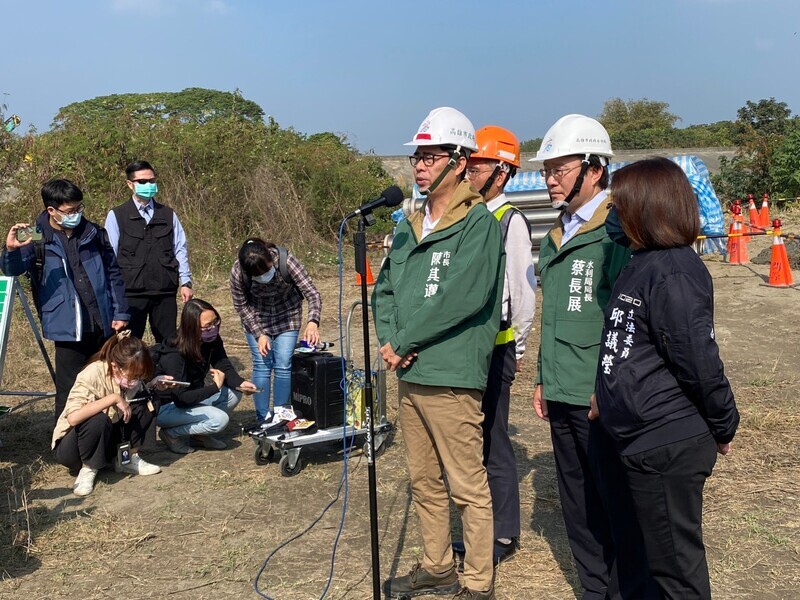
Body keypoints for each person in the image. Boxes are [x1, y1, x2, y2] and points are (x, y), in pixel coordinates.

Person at [591, 157, 739, 599]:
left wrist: (724, 422)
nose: (612, 216)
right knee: (649, 558)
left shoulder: (674, 271)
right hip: (637, 436)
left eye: (619, 207)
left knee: (676, 570)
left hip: (666, 439)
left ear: (647, 209)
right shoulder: (643, 263)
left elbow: (698, 360)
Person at [373, 107, 504, 600]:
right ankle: (437, 567)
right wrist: (391, 340)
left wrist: (404, 342)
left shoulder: (478, 224)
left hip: (450, 373)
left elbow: (461, 297)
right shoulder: (410, 224)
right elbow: (385, 288)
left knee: (466, 486)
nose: (420, 166)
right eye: (417, 157)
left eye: (430, 157)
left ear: (459, 161)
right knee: (423, 481)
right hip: (410, 373)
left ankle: (478, 583)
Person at [530, 115, 655, 599]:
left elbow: (629, 321)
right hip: (562, 387)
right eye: (547, 171)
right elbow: (553, 316)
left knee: (614, 500)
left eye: (559, 170)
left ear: (594, 169)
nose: (550, 180)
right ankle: (593, 587)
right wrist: (542, 378)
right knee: (576, 499)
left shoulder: (616, 232)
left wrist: (611, 387)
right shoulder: (558, 231)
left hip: (599, 394)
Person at [450, 125, 536, 565]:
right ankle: (476, 528)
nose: (469, 174)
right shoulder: (468, 217)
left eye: (478, 168)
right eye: (468, 166)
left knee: (493, 440)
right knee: (468, 441)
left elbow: (523, 293)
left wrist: (517, 349)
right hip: (466, 349)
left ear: (501, 174)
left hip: (496, 347)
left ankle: (503, 533)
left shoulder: (510, 222)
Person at [2, 179, 130, 423]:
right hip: (66, 325)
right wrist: (11, 251)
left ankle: (106, 435)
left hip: (101, 320)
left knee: (107, 381)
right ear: (52, 210)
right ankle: (65, 438)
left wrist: (120, 312)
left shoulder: (94, 232)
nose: (76, 214)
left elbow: (113, 274)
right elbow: (12, 270)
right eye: (70, 211)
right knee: (69, 388)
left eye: (79, 208)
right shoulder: (35, 235)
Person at [51, 332, 161, 497]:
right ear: (115, 366)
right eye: (133, 376)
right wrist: (113, 398)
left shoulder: (131, 378)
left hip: (107, 438)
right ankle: (88, 468)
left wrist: (153, 384)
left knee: (149, 401)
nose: (136, 380)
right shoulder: (93, 373)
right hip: (73, 447)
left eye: (139, 376)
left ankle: (127, 458)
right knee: (98, 419)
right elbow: (73, 418)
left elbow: (138, 401)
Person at [230, 238, 322, 422]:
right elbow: (241, 306)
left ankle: (281, 415)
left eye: (266, 270)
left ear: (270, 259)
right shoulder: (238, 272)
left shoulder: (286, 261)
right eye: (257, 275)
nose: (263, 277)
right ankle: (263, 418)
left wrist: (313, 322)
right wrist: (259, 333)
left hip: (287, 315)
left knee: (283, 364)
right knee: (262, 364)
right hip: (257, 317)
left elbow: (312, 293)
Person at [105, 160, 193, 343]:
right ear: (130, 184)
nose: (148, 185)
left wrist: (186, 281)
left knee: (169, 343)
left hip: (164, 290)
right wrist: (113, 294)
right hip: (131, 292)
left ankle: (166, 363)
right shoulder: (117, 216)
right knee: (129, 345)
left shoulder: (168, 214)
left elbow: (180, 248)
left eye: (151, 181)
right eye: (142, 182)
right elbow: (110, 256)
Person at [154, 298, 258, 453]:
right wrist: (215, 387)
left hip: (190, 398)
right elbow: (182, 398)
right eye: (207, 326)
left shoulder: (209, 339)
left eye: (215, 322)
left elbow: (222, 362)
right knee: (219, 420)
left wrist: (241, 383)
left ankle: (198, 435)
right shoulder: (175, 354)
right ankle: (171, 434)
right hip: (167, 407)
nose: (213, 328)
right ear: (192, 327)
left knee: (234, 392)